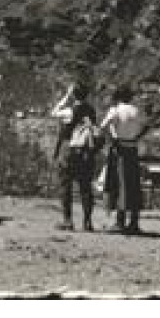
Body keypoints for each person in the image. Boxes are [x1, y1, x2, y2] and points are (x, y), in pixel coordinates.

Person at [51, 81, 99, 232]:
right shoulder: (91, 110)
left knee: (65, 185)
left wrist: (66, 95)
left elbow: (54, 112)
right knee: (86, 187)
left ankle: (68, 220)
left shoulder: (70, 110)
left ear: (74, 94)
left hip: (69, 150)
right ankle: (87, 221)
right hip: (86, 151)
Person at [99, 85, 147, 234]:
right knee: (132, 184)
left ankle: (120, 222)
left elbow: (102, 126)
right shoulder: (136, 110)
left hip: (119, 148)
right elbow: (147, 125)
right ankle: (134, 222)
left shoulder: (115, 110)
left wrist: (113, 137)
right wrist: (137, 137)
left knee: (119, 184)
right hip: (132, 148)